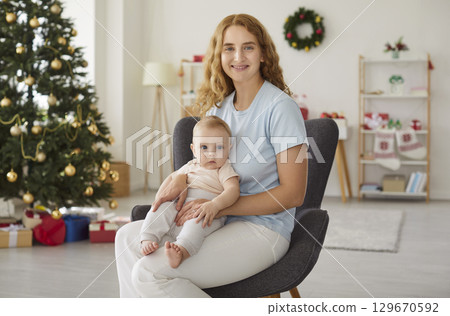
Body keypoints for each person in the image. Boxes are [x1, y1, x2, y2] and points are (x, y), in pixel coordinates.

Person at [115, 13, 308, 297]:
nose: (238, 56)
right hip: (214, 223)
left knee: (148, 272)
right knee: (125, 240)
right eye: (229, 47)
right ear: (220, 55)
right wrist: (181, 177)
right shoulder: (219, 110)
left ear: (264, 54)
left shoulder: (281, 108)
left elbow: (294, 194)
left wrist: (219, 206)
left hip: (263, 231)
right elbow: (203, 166)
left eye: (248, 47)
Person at [140, 116, 239, 269]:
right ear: (193, 149)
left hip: (207, 212)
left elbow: (233, 190)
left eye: (219, 147)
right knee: (162, 208)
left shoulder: (224, 168)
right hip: (179, 208)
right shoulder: (190, 165)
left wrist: (215, 205)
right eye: (204, 147)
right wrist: (159, 198)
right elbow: (171, 180)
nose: (211, 154)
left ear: (229, 148)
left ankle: (182, 251)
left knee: (197, 224)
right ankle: (148, 238)